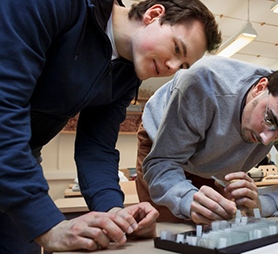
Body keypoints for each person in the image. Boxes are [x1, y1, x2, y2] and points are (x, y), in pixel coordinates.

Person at [0, 0, 222, 252]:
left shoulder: (127, 74)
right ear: (154, 14)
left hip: (16, 161)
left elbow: (97, 147)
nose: (172, 68)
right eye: (176, 48)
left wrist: (116, 213)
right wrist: (48, 225)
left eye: (182, 66)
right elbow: (3, 111)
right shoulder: (54, 6)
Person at [135, 55, 278, 225]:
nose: (266, 140)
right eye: (269, 120)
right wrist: (186, 200)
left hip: (213, 165)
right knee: (165, 227)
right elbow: (162, 163)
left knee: (217, 222)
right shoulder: (203, 83)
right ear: (260, 87)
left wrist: (263, 204)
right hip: (162, 143)